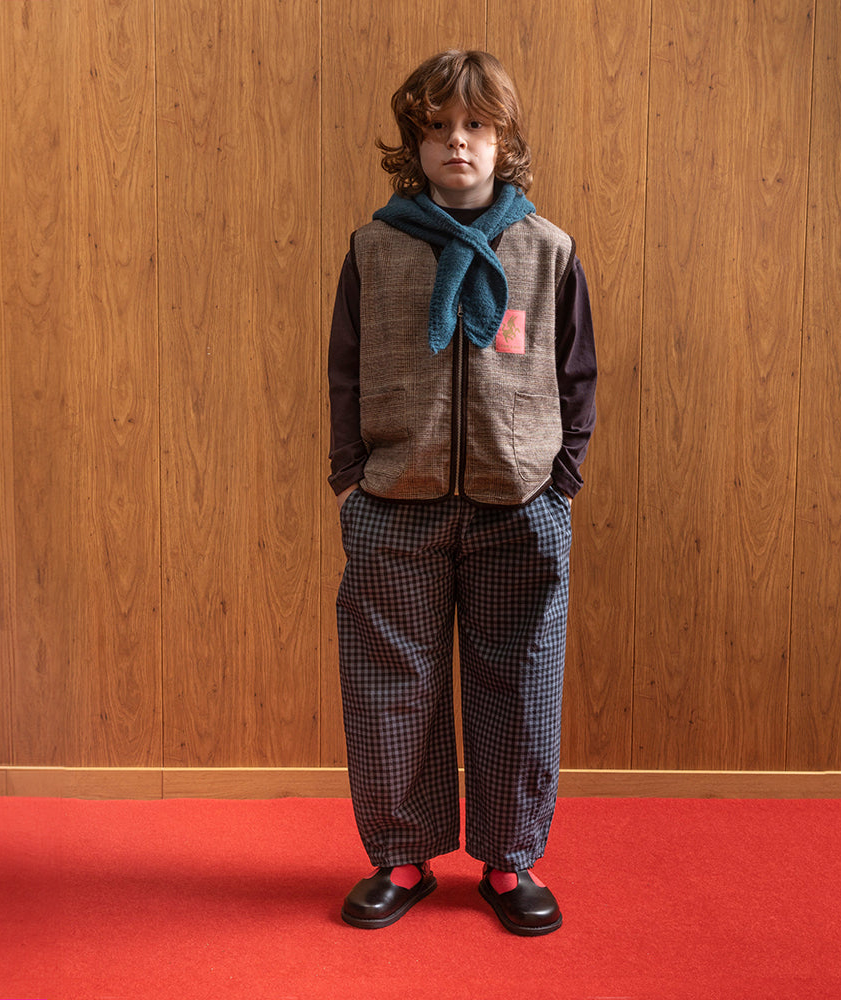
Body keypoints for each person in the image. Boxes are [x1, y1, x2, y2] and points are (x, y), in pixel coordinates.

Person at [327, 49, 597, 936]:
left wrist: (559, 483)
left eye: (475, 126)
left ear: (503, 138)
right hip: (395, 504)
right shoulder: (375, 247)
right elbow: (344, 371)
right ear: (415, 141)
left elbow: (576, 373)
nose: (457, 144)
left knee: (519, 682)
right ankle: (402, 854)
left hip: (518, 507)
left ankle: (510, 859)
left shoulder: (546, 249)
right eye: (437, 128)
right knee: (389, 683)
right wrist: (350, 482)